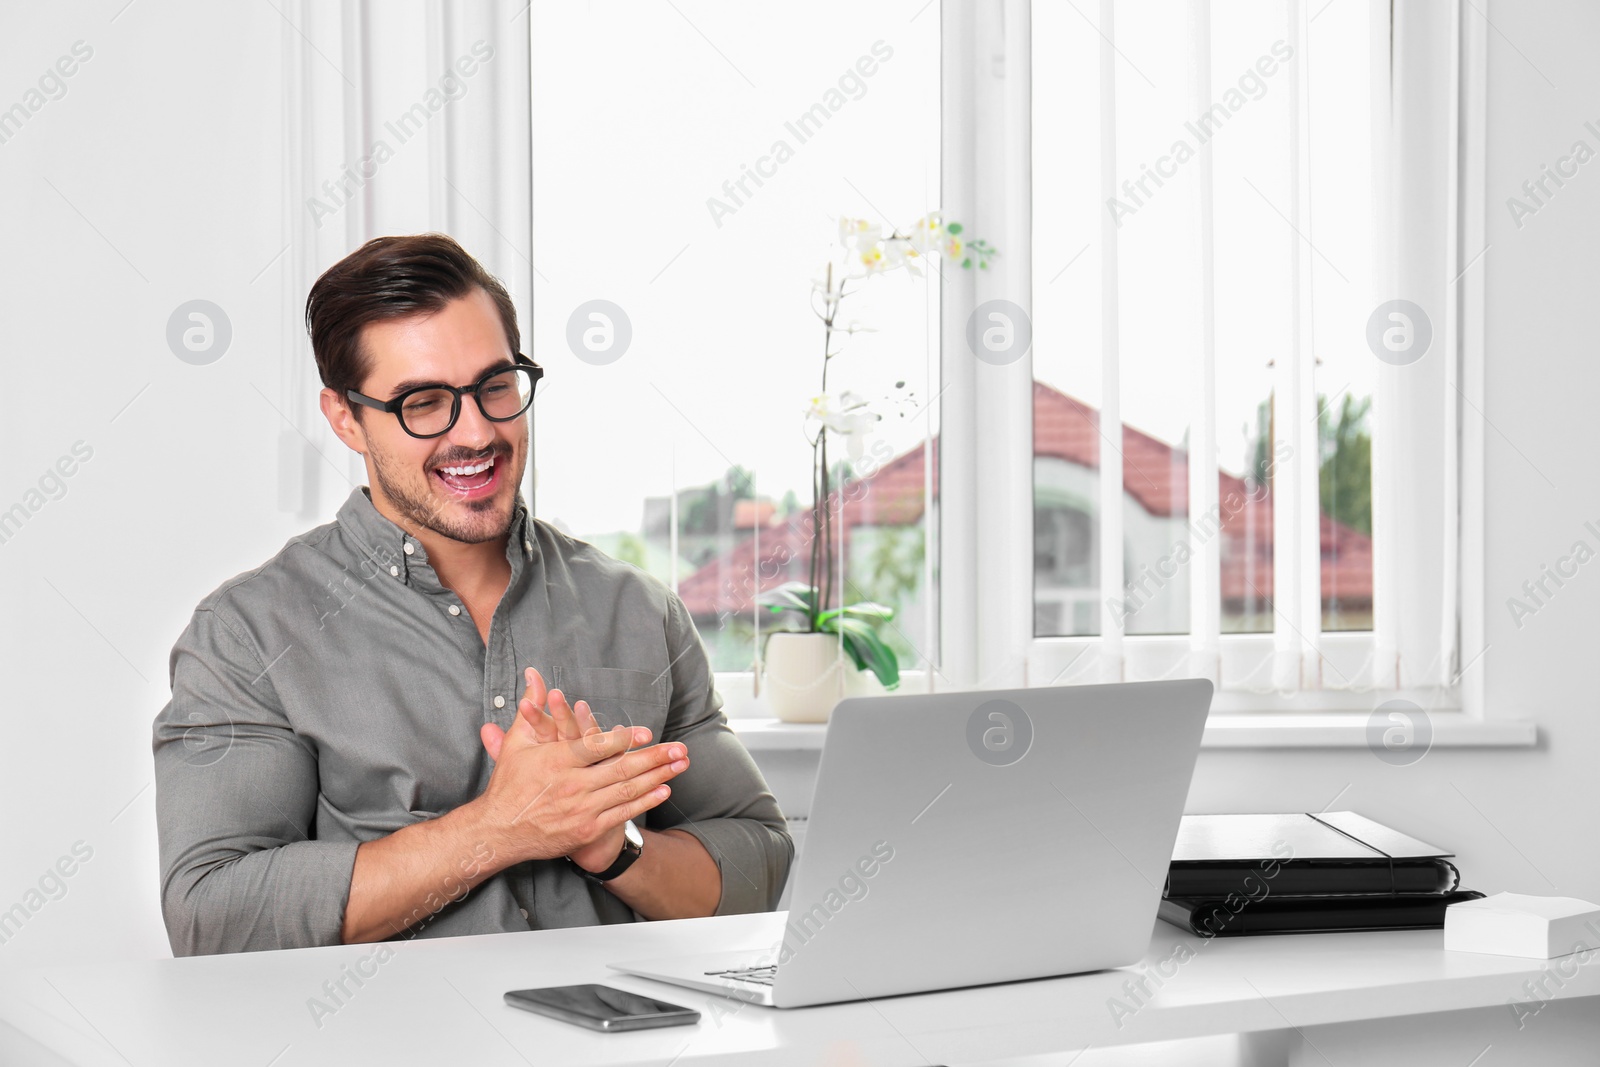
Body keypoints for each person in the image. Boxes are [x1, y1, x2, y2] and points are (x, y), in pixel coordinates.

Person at [152, 233, 792, 955]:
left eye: (496, 384)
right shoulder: (248, 635)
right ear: (344, 417)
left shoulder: (638, 611)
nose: (478, 430)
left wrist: (613, 844)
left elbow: (757, 864)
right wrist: (500, 828)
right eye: (424, 402)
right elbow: (212, 915)